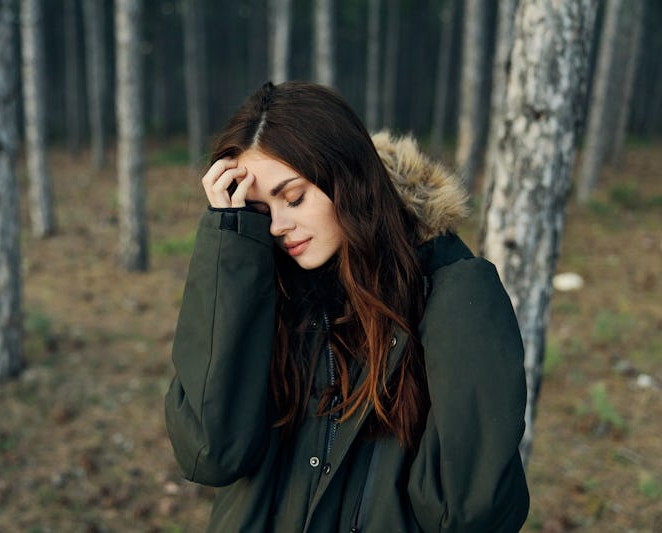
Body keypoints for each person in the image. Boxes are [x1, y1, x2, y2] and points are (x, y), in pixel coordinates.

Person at [165, 81, 529, 532]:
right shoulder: (263, 289)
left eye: (294, 197)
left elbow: (474, 514)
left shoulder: (449, 295)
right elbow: (209, 452)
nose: (278, 226)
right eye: (261, 209)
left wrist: (460, 304)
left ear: (347, 177)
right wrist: (230, 243)